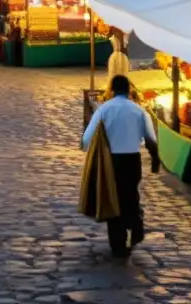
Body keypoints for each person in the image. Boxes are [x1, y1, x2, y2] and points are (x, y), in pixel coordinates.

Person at [81, 75, 160, 258]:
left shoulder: (104, 110)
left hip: (111, 162)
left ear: (112, 89)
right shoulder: (139, 111)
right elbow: (151, 140)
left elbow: (86, 138)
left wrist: (89, 153)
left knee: (113, 199)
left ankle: (118, 243)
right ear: (129, 90)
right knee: (131, 196)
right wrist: (155, 160)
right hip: (133, 160)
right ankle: (135, 226)